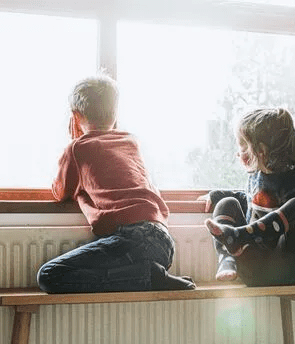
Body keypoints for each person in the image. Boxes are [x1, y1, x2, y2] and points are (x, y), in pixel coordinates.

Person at [37, 73, 195, 293]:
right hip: (163, 241)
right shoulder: (131, 141)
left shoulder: (78, 148)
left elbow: (60, 192)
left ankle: (147, 277)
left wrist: (74, 145)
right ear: (115, 113)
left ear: (75, 116)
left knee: (49, 275)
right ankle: (147, 274)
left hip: (133, 239)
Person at [204, 107, 295, 296]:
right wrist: (217, 195)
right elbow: (247, 200)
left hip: (289, 270)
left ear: (261, 151)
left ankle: (239, 236)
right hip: (253, 269)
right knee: (227, 203)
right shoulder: (255, 179)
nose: (238, 154)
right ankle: (227, 257)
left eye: (242, 146)